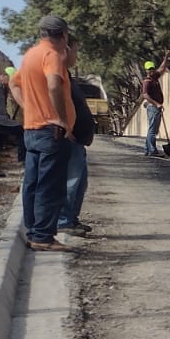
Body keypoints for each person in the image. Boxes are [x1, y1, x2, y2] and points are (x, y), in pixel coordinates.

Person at [10, 14, 75, 253]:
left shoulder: (30, 56)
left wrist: (29, 106)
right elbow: (53, 84)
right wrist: (61, 119)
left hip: (31, 129)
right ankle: (43, 237)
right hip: (51, 132)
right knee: (50, 185)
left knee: (33, 183)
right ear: (64, 35)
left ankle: (34, 231)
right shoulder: (53, 56)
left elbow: (13, 83)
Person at [59, 35, 98, 238]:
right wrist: (66, 127)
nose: (76, 55)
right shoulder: (57, 74)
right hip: (69, 138)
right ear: (65, 50)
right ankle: (64, 221)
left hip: (78, 140)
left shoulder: (67, 75)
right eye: (75, 50)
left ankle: (72, 219)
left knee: (80, 182)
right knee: (71, 181)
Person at [141, 59, 165, 156]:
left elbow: (162, 68)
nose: (151, 71)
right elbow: (145, 95)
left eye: (152, 69)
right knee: (153, 130)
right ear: (146, 70)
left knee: (152, 129)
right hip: (153, 108)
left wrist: (166, 56)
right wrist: (157, 104)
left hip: (155, 107)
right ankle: (152, 150)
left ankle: (147, 149)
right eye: (149, 69)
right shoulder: (147, 81)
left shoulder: (154, 78)